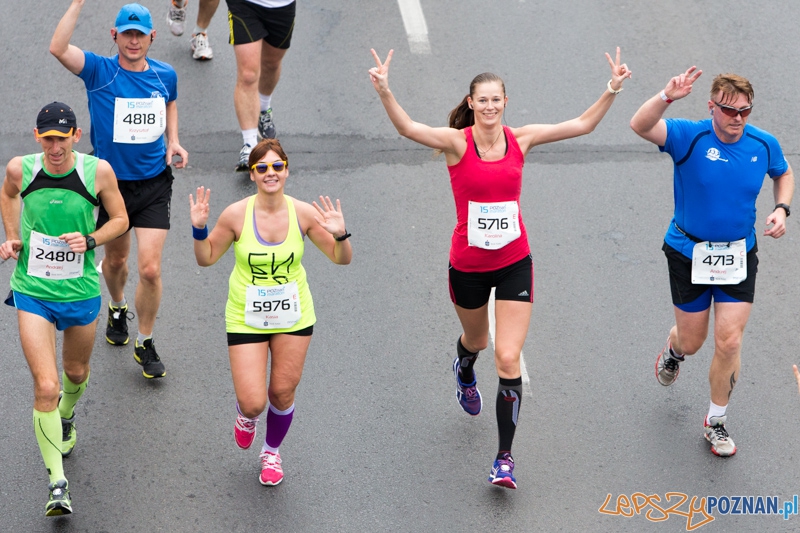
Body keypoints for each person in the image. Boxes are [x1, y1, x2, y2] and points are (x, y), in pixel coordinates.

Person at [369, 48, 631, 488]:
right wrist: (385, 91)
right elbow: (407, 128)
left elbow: (581, 124)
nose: (490, 107)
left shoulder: (521, 139)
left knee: (508, 356)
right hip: (468, 265)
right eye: (482, 100)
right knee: (479, 340)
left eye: (497, 100)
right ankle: (464, 368)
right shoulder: (457, 143)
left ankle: (504, 459)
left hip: (513, 261)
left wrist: (612, 89)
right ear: (470, 103)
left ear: (505, 102)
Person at [630, 69, 794, 457]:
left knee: (730, 339)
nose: (737, 119)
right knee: (693, 339)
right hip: (688, 252)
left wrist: (782, 209)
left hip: (738, 254)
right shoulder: (690, 136)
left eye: (745, 112)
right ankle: (674, 351)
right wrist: (666, 96)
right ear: (712, 107)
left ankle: (715, 421)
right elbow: (640, 124)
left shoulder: (763, 144)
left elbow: (783, 173)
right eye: (728, 111)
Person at [189, 138, 352, 485]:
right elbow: (205, 259)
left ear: (287, 170)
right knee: (253, 402)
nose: (270, 173)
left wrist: (340, 235)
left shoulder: (304, 213)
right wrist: (199, 228)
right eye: (261, 168)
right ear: (252, 175)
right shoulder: (236, 214)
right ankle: (245, 416)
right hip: (246, 315)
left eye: (277, 166)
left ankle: (272, 452)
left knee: (281, 392)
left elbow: (342, 258)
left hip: (293, 315)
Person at [0, 102, 127, 516]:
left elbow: (121, 219)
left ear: (75, 135)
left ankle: (67, 417)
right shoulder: (22, 168)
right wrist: (13, 236)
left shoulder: (98, 172)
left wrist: (91, 240)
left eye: (62, 137)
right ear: (38, 138)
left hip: (80, 290)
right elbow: (7, 194)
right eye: (47, 138)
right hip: (32, 289)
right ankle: (57, 483)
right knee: (45, 386)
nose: (55, 147)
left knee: (75, 373)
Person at [51, 2, 189, 379]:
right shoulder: (99, 71)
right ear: (115, 36)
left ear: (151, 38)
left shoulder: (166, 75)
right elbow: (58, 48)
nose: (133, 41)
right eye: (126, 34)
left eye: (139, 35)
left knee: (150, 267)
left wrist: (173, 141)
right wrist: (77, 4)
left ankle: (145, 341)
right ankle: (116, 306)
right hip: (111, 186)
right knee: (115, 262)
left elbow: (170, 103)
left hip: (154, 184)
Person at [226, 0, 296, 170]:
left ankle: (263, 109)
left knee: (271, 64)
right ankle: (249, 144)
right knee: (248, 74)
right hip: (245, 5)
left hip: (281, 6)